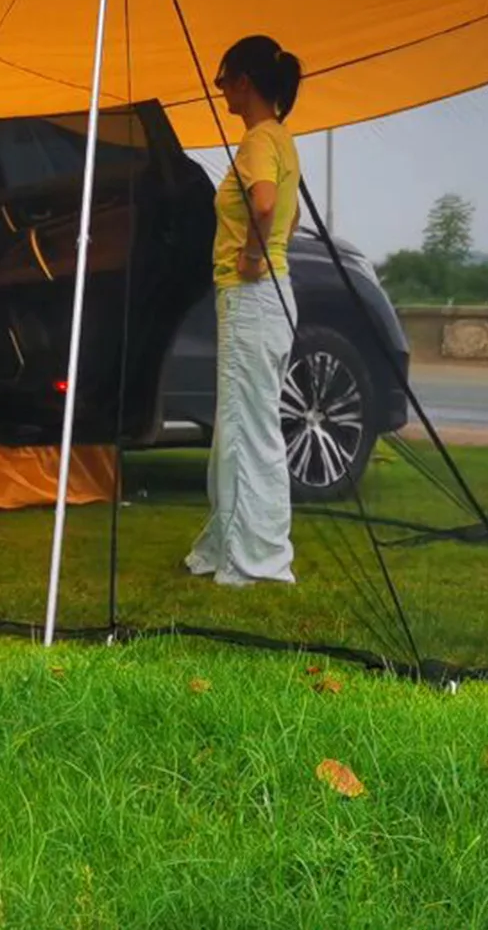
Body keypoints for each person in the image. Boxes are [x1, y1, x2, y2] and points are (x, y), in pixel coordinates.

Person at [186, 34, 304, 588]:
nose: (220, 91)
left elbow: (264, 203)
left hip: (253, 295)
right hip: (273, 298)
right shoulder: (281, 138)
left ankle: (256, 559)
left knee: (246, 429)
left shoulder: (258, 140)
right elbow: (292, 213)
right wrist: (270, 249)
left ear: (245, 83)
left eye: (224, 80)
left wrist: (253, 255)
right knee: (245, 424)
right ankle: (231, 544)